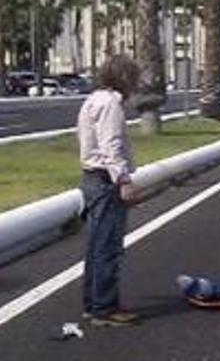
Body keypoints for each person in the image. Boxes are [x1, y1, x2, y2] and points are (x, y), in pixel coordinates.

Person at [77, 54, 142, 327]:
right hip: (106, 181)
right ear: (124, 77)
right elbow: (111, 145)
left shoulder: (93, 100)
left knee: (95, 247)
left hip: (91, 178)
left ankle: (93, 304)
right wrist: (123, 180)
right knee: (108, 247)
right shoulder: (111, 103)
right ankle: (105, 308)